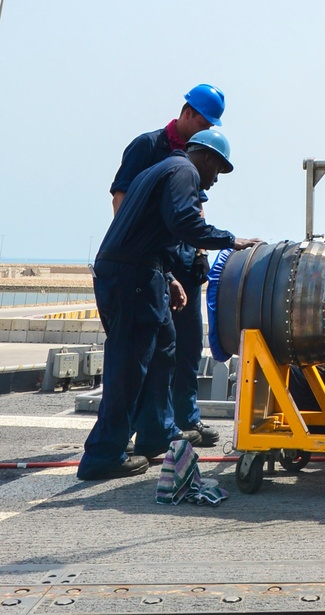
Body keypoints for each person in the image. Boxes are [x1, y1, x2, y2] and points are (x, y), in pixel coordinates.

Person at [79, 128, 259, 480]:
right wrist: (230, 241)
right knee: (129, 366)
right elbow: (185, 223)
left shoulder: (161, 169)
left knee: (164, 349)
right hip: (132, 279)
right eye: (218, 170)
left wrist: (168, 277)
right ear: (206, 158)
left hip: (140, 272)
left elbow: (151, 231)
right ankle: (103, 454)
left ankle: (154, 434)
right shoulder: (184, 172)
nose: (215, 180)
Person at [109, 84, 225, 450]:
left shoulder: (199, 156)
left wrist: (200, 254)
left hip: (184, 265)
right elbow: (122, 200)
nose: (208, 131)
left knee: (186, 346)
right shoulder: (149, 146)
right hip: (152, 264)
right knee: (144, 353)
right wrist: (158, 266)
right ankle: (127, 433)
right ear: (187, 113)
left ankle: (183, 420)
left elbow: (195, 208)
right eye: (205, 122)